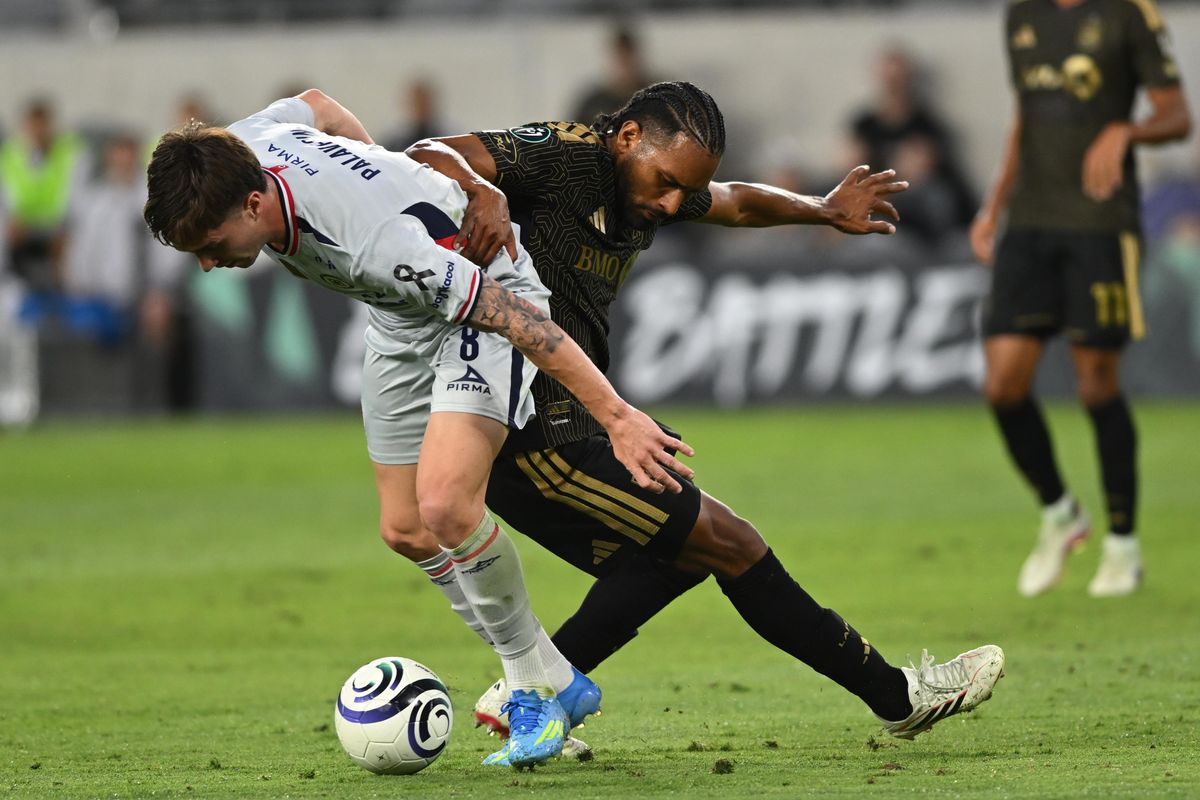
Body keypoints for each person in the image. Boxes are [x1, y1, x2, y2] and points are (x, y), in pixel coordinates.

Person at [403, 81, 1005, 747]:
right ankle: (899, 698)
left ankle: (534, 689)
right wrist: (481, 191)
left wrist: (821, 208)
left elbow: (735, 202)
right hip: (531, 429)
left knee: (679, 556)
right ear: (628, 138)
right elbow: (427, 151)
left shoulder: (648, 184)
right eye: (665, 182)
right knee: (732, 542)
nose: (670, 204)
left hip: (570, 418)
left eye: (681, 190)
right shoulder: (567, 157)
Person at [142, 88, 695, 768]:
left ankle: (531, 692)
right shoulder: (240, 145)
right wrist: (386, 173)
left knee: (446, 506)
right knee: (405, 528)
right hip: (401, 313)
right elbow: (317, 104)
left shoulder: (377, 244)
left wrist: (616, 416)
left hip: (487, 295)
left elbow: (516, 320)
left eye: (209, 245)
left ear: (254, 205)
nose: (206, 263)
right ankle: (553, 674)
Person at [969, 0, 1191, 598]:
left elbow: (1177, 116)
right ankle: (1060, 511)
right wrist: (995, 203)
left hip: (1099, 222)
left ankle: (1123, 544)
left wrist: (1126, 129)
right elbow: (1025, 116)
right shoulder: (1021, 15)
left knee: (1096, 384)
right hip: (1030, 222)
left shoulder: (1127, 14)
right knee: (1003, 384)